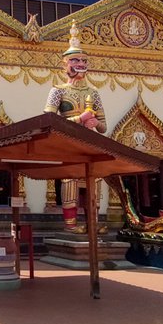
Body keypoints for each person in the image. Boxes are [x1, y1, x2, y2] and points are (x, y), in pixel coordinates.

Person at [43, 20, 107, 232]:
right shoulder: (58, 91)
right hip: (69, 144)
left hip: (91, 143)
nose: (80, 63)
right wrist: (80, 119)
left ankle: (93, 224)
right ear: (65, 65)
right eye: (75, 59)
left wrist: (95, 121)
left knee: (94, 182)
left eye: (83, 59)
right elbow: (48, 122)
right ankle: (71, 226)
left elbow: (104, 127)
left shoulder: (94, 92)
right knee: (70, 180)